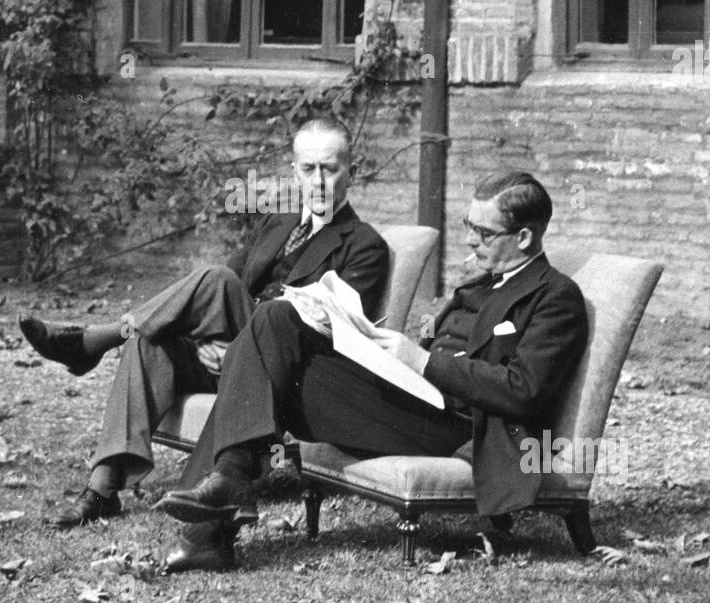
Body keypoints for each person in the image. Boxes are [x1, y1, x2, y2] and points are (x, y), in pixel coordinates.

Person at [156, 171, 588, 573]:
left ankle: (212, 521)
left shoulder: (554, 297)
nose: (470, 240)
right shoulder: (478, 285)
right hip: (416, 403)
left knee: (264, 362)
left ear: (526, 237)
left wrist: (420, 362)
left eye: (484, 232)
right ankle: (228, 485)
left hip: (462, 428)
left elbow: (524, 390)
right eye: (467, 225)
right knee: (274, 319)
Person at [19, 117, 389, 528]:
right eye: (308, 169)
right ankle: (102, 489)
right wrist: (206, 342)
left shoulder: (364, 245)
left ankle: (95, 341)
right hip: (232, 356)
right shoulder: (277, 223)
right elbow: (211, 299)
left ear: (351, 173)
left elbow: (335, 337)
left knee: (216, 278)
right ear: (294, 172)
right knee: (150, 341)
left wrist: (243, 351)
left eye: (330, 168)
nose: (319, 181)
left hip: (288, 373)